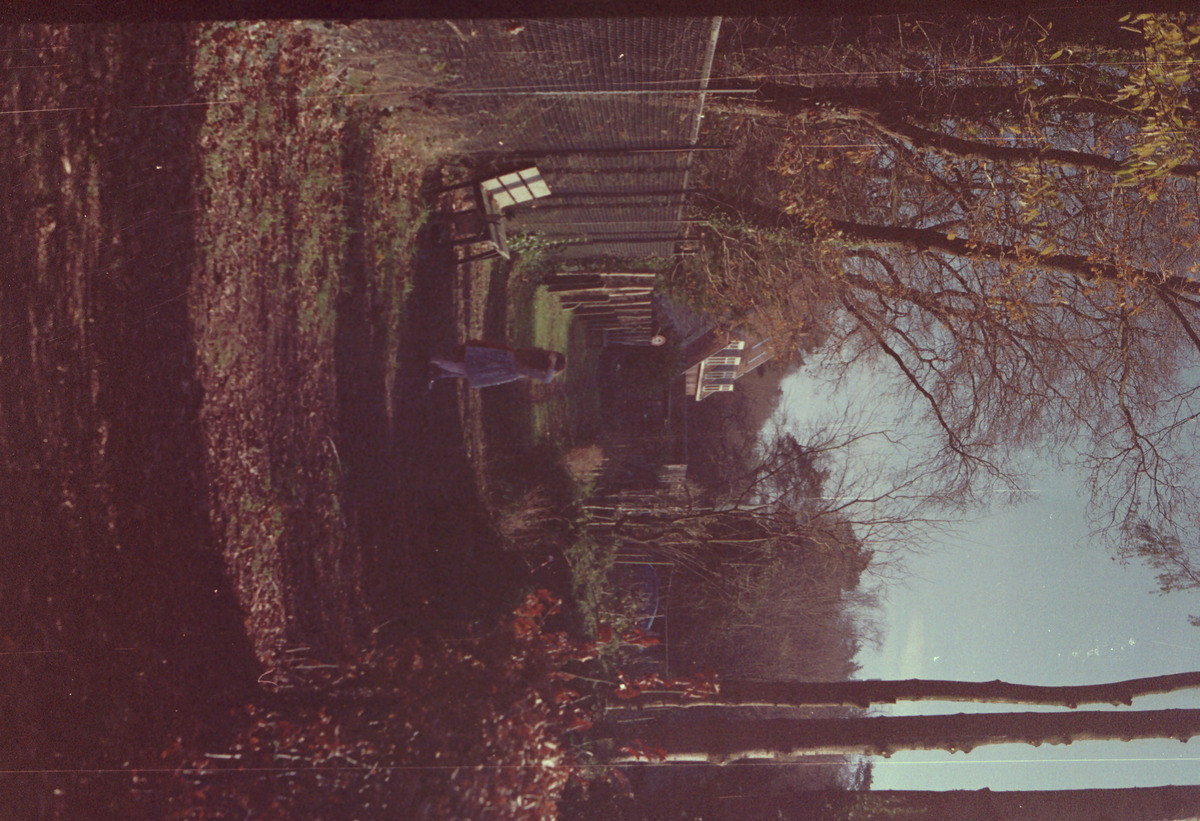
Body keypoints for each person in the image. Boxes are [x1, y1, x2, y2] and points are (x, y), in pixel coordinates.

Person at [428, 341, 566, 389]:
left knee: (466, 369)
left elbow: (547, 379)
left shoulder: (535, 362)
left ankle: (438, 370)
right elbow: (547, 380)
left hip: (500, 359)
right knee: (466, 369)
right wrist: (552, 365)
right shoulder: (535, 368)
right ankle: (435, 362)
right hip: (500, 365)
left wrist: (551, 363)